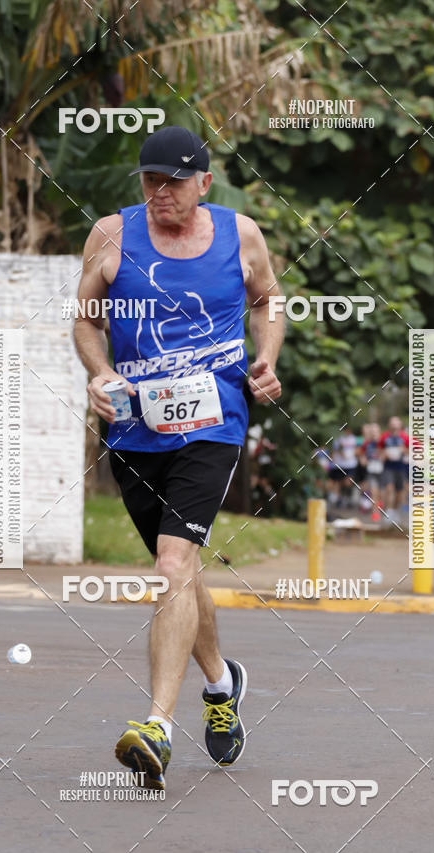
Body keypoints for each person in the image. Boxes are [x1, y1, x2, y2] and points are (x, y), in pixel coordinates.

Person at [73, 125, 284, 790]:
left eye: (174, 182)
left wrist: (268, 356)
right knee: (182, 576)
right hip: (134, 432)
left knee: (173, 561)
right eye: (150, 181)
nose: (161, 193)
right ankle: (222, 685)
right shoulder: (112, 235)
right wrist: (99, 371)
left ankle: (156, 726)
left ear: (204, 182)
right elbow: (84, 316)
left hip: (212, 425)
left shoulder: (240, 234)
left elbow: (268, 299)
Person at [378, 416, 409, 512]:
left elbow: (410, 451)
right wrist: (383, 454)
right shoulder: (384, 436)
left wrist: (403, 450)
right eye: (392, 423)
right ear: (389, 425)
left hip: (401, 467)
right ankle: (389, 510)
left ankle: (395, 510)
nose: (394, 426)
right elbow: (379, 449)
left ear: (400, 425)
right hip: (388, 467)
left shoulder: (405, 437)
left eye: (396, 423)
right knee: (389, 488)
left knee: (399, 492)